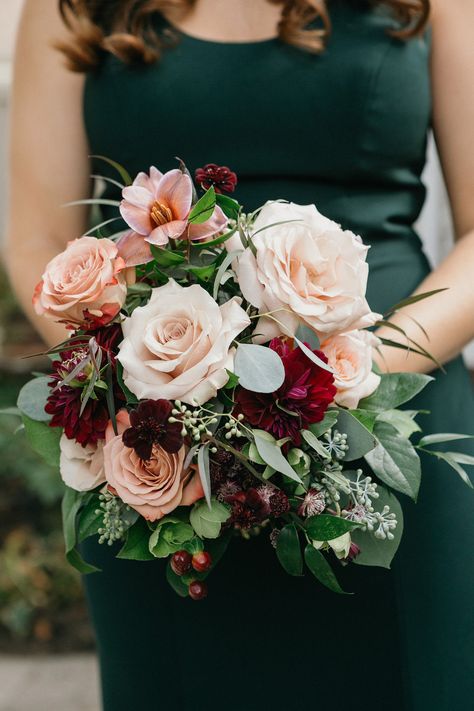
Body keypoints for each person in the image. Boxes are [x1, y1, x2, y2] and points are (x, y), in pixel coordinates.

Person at [6, 1, 474, 709]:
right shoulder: (70, 8)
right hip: (160, 458)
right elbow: (37, 239)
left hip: (384, 429)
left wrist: (351, 377)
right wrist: (146, 390)